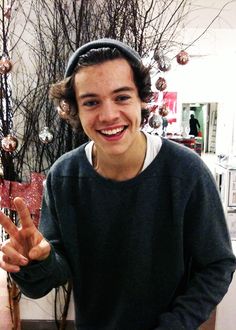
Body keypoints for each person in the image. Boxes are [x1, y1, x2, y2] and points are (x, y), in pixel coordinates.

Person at [0, 38, 235, 330]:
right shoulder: (64, 176)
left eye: (122, 97)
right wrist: (34, 263)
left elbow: (217, 264)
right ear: (75, 109)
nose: (109, 115)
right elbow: (51, 275)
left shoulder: (186, 173)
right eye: (91, 102)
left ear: (142, 99)